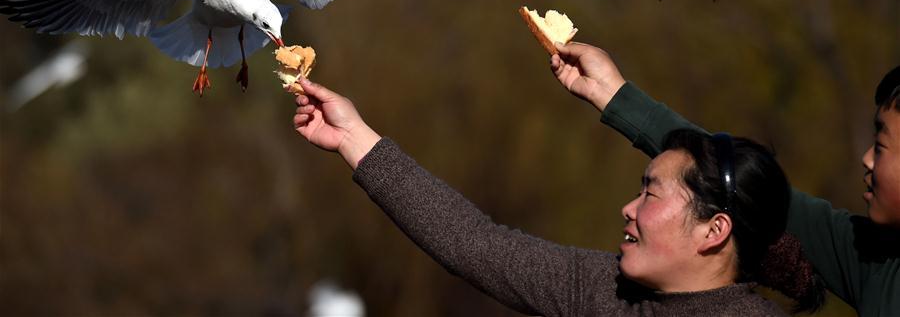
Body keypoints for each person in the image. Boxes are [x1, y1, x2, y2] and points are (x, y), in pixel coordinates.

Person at [292, 78, 822, 316]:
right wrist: (353, 137)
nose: (628, 209)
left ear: (714, 230)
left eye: (650, 194)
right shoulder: (606, 292)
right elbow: (477, 246)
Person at [551, 42, 900, 316]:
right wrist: (615, 95)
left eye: (881, 146)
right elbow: (740, 185)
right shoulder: (873, 260)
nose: (867, 159)